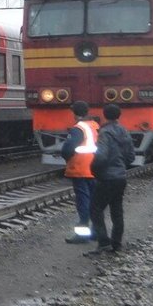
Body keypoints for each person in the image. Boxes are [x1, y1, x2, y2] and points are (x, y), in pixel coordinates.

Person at [85, 103, 135, 256]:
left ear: (104, 115)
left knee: (95, 209)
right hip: (120, 177)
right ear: (119, 116)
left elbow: (101, 156)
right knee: (117, 210)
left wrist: (93, 169)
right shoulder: (124, 131)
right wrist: (121, 167)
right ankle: (117, 243)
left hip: (107, 177)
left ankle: (104, 243)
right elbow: (131, 156)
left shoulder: (105, 133)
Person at [60, 100, 98, 244]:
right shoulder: (94, 126)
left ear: (74, 113)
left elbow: (68, 148)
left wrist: (67, 157)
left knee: (83, 202)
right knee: (95, 202)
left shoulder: (78, 129)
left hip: (80, 169)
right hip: (94, 169)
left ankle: (82, 235)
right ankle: (96, 232)